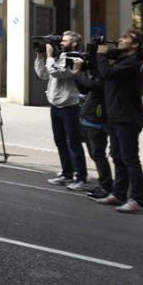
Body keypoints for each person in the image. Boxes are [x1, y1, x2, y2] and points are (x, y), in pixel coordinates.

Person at [91, 29, 143, 213]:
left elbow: (107, 73)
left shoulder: (131, 63)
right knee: (117, 157)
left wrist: (101, 54)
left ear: (136, 45)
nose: (119, 40)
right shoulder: (123, 59)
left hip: (127, 118)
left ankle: (137, 199)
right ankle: (119, 193)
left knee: (130, 158)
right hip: (115, 115)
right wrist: (102, 50)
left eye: (125, 38)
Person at [35, 31, 88, 191]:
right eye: (62, 40)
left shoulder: (74, 58)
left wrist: (50, 56)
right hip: (55, 105)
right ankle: (67, 173)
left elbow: (57, 73)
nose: (62, 42)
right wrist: (40, 56)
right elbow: (43, 74)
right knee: (60, 142)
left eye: (66, 40)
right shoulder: (58, 56)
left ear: (74, 43)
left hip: (70, 106)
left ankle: (81, 177)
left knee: (74, 143)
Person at [72, 54, 114, 198]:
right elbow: (84, 89)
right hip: (89, 118)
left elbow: (92, 86)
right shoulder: (98, 75)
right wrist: (78, 74)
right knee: (95, 154)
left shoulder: (105, 75)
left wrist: (77, 72)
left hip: (97, 121)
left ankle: (106, 186)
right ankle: (105, 184)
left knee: (98, 154)